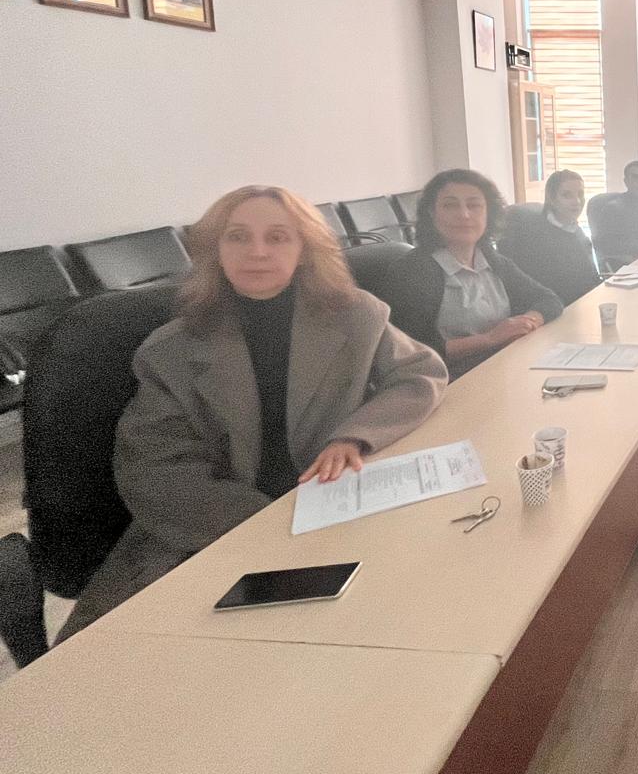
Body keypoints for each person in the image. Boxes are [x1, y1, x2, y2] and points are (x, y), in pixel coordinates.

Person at [58, 185, 448, 641]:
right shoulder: (170, 350)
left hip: (335, 512)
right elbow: (155, 471)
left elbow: (421, 373)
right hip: (212, 533)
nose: (257, 252)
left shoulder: (357, 315)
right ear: (216, 251)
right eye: (238, 237)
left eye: (277, 237)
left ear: (304, 250)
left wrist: (354, 435)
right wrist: (271, 525)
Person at [383, 169, 564, 379]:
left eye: (474, 205)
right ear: (432, 213)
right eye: (450, 205)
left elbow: (548, 300)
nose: (464, 214)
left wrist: (527, 323)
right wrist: (490, 339)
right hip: (445, 382)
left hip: (502, 369)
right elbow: (412, 351)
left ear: (488, 213)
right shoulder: (412, 271)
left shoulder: (490, 258)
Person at [499, 168, 602, 307]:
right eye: (567, 195)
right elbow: (545, 289)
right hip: (557, 309)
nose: (577, 201)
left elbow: (591, 277)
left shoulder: (575, 231)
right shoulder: (534, 237)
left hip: (585, 304)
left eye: (580, 194)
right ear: (552, 199)